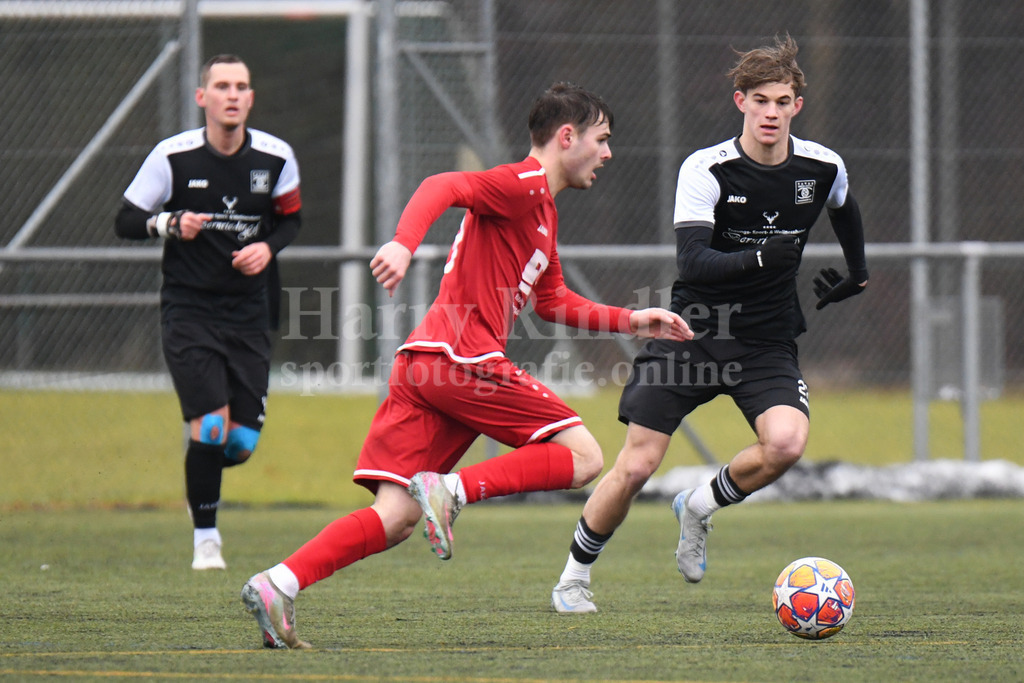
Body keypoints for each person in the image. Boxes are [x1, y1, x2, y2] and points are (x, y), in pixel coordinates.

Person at [240, 82, 692, 649]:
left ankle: (278, 583)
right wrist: (405, 243)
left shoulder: (543, 213)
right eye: (601, 140)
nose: (607, 153)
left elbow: (552, 302)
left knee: (398, 515)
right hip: (460, 356)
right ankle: (451, 492)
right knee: (584, 457)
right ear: (567, 136)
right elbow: (443, 184)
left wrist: (630, 320)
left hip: (424, 366)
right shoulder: (523, 183)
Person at [551, 35, 868, 613]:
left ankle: (699, 504)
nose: (771, 112)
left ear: (798, 104)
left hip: (767, 339)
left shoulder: (822, 165)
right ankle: (573, 576)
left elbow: (843, 205)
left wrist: (859, 272)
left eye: (782, 101)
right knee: (638, 464)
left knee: (787, 442)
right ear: (740, 101)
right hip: (691, 333)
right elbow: (694, 261)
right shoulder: (706, 168)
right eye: (760, 100)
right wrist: (760, 258)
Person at [114, 54, 301, 571]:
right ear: (203, 97)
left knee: (238, 444)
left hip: (250, 313)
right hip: (190, 310)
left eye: (241, 85)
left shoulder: (276, 157)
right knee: (212, 427)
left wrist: (269, 248)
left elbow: (291, 221)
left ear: (251, 98)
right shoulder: (172, 157)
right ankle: (206, 539)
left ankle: (202, 468)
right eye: (222, 86)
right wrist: (169, 224)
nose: (232, 94)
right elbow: (126, 220)